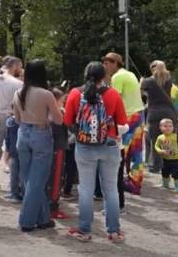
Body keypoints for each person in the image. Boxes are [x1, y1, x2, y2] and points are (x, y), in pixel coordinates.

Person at [64, 62, 128, 243]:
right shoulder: (113, 94)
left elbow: (67, 120)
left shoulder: (76, 93)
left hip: (84, 146)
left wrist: (80, 132)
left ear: (86, 74)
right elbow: (122, 121)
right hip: (109, 144)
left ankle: (84, 230)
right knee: (111, 189)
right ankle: (114, 231)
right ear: (104, 75)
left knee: (86, 189)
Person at [12, 60, 63, 232]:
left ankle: (43, 218)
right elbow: (58, 120)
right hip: (41, 133)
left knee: (29, 179)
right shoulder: (46, 94)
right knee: (37, 180)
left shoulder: (18, 92)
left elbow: (17, 118)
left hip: (23, 133)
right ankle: (26, 221)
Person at [102, 52, 144, 194]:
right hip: (138, 114)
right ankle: (135, 182)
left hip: (128, 116)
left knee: (120, 149)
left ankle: (117, 180)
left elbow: (114, 99)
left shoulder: (117, 77)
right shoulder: (130, 74)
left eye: (107, 63)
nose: (104, 66)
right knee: (136, 151)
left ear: (115, 63)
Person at [141, 60, 178, 174]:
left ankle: (155, 166)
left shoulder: (148, 81)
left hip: (154, 112)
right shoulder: (168, 80)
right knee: (170, 139)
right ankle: (171, 165)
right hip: (169, 112)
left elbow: (143, 93)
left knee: (155, 140)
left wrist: (141, 81)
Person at [0, 56, 23, 187]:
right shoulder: (17, 84)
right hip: (11, 117)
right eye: (20, 67)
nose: (21, 70)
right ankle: (15, 183)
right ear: (14, 66)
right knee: (14, 151)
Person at [47, 88, 70, 219]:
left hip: (52, 147)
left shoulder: (47, 112)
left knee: (53, 176)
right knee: (56, 177)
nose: (63, 103)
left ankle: (51, 204)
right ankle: (53, 208)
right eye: (62, 100)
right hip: (58, 147)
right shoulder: (58, 113)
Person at [154, 118, 178, 192]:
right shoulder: (160, 137)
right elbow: (156, 146)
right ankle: (165, 184)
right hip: (165, 159)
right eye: (165, 126)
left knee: (175, 173)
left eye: (170, 126)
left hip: (176, 159)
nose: (168, 128)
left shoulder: (176, 136)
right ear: (160, 128)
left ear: (173, 127)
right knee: (164, 172)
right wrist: (160, 151)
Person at [4, 114, 22, 202]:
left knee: (14, 175)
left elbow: (7, 139)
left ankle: (14, 194)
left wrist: (7, 152)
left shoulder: (10, 122)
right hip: (23, 151)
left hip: (13, 151)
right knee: (20, 175)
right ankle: (17, 193)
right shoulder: (27, 120)